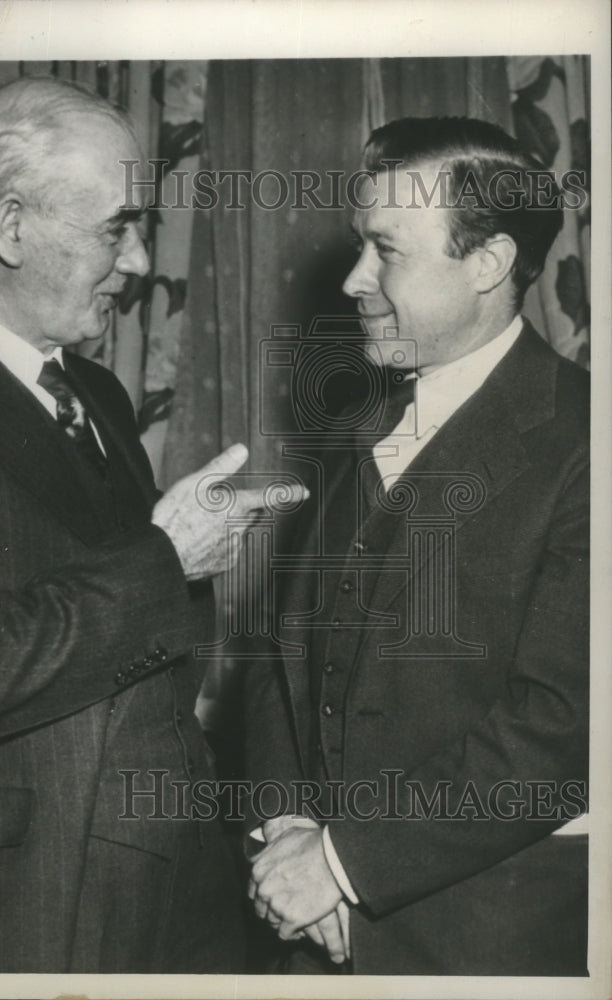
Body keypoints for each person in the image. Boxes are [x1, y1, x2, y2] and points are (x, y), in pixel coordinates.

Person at [0, 75, 299, 974]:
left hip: (165, 887)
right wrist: (165, 557)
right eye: (117, 228)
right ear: (11, 227)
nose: (140, 263)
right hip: (14, 912)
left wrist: (189, 559)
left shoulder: (93, 390)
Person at [246, 116, 589, 975]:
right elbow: (278, 653)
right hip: (313, 934)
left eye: (386, 250)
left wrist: (339, 864)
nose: (357, 278)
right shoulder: (361, 423)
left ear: (489, 263)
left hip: (486, 947)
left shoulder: (588, 443)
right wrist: (288, 829)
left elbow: (563, 728)